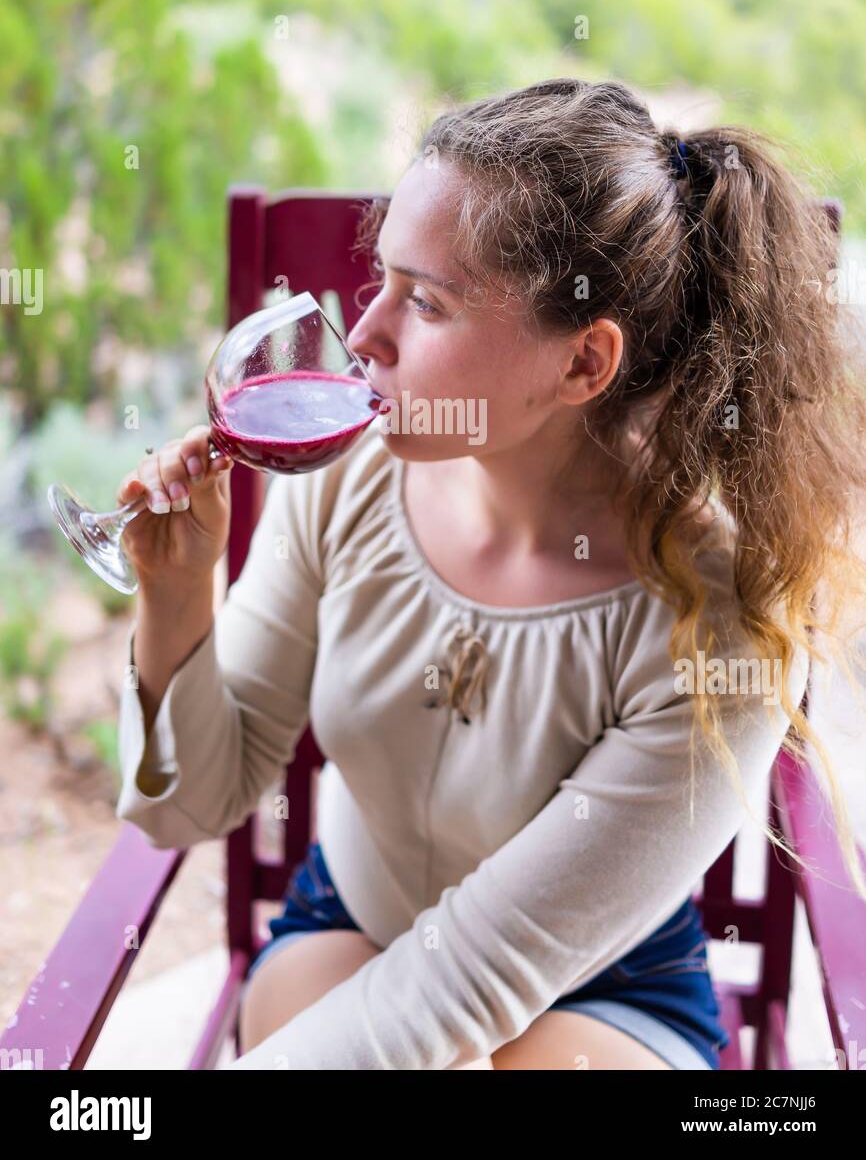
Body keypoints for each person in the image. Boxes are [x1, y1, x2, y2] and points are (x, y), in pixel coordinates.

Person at [113, 77, 866, 1071]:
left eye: (423, 301)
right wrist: (176, 594)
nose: (364, 336)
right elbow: (180, 806)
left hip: (598, 979)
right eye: (377, 280)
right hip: (355, 918)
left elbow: (469, 980)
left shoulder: (716, 615)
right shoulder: (345, 484)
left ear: (581, 363)